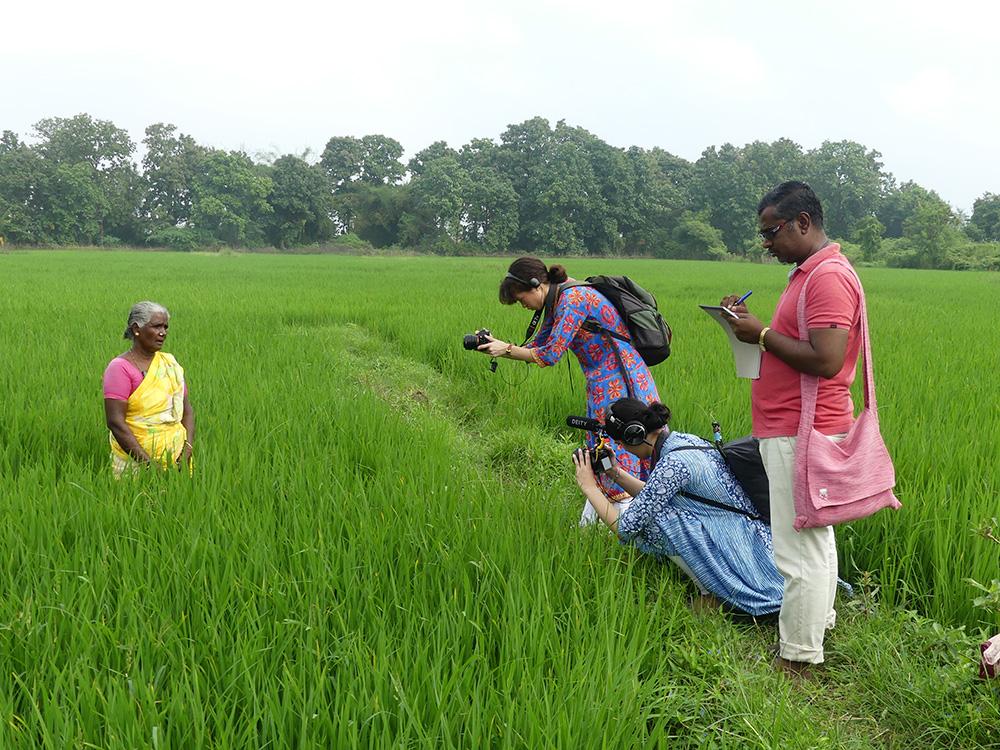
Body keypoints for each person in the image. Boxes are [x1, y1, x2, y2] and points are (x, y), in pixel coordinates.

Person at [721, 181, 864, 678]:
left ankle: (797, 659)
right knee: (815, 539)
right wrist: (749, 325)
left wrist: (758, 334)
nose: (767, 243)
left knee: (796, 547)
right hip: (797, 426)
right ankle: (816, 628)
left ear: (803, 222)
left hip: (802, 430)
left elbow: (826, 360)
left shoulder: (825, 277)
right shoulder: (808, 272)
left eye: (772, 232)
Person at [478, 256, 660, 523]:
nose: (523, 305)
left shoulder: (573, 300)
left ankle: (627, 522)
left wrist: (505, 350)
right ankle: (605, 514)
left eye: (521, 299)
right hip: (603, 380)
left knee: (618, 442)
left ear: (536, 284)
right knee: (601, 444)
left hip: (620, 379)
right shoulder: (557, 300)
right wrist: (499, 346)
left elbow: (550, 354)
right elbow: (539, 344)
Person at [571, 398, 784, 617]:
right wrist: (614, 472)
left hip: (752, 564)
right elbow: (655, 493)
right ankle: (711, 584)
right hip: (756, 541)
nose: (623, 448)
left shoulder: (673, 464)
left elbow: (626, 527)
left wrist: (589, 487)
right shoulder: (682, 441)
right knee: (657, 510)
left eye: (622, 443)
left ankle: (713, 592)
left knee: (655, 523)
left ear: (634, 434)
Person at [103, 301, 195, 477]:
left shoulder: (170, 364)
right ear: (137, 329)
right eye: (156, 326)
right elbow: (115, 422)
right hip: (135, 464)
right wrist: (149, 466)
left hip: (177, 460)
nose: (163, 333)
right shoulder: (120, 368)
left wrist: (187, 451)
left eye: (166, 327)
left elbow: (187, 410)